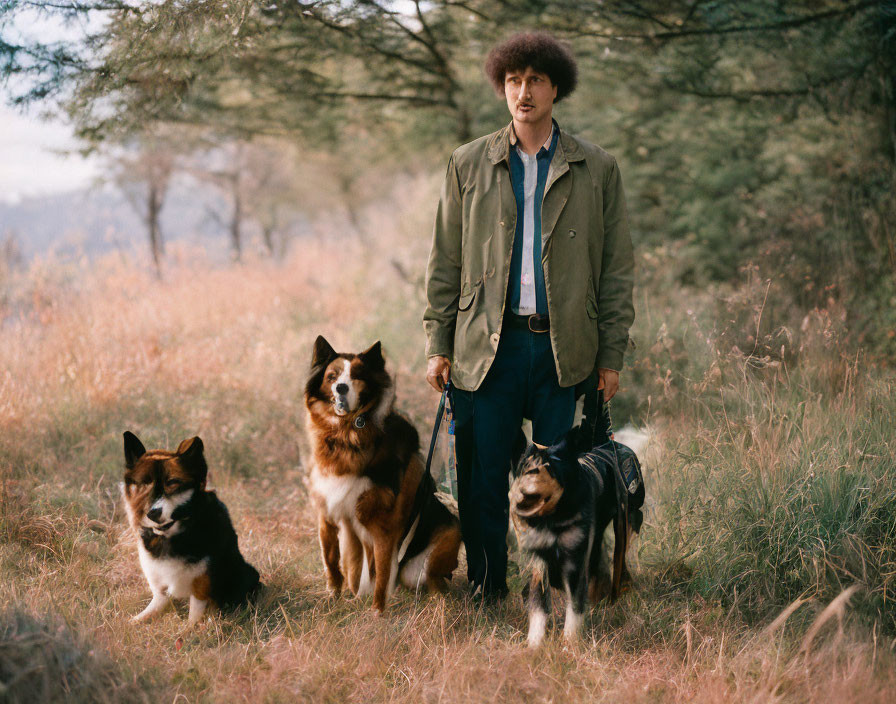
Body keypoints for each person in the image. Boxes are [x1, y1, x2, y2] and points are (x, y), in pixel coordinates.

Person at [423, 32, 635, 601]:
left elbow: (616, 269)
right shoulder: (468, 163)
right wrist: (437, 343)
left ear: (555, 88)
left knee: (561, 476)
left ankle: (555, 588)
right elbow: (445, 258)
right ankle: (489, 584)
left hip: (564, 349)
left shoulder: (597, 167)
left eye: (535, 80)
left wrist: (610, 355)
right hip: (487, 348)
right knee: (484, 476)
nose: (524, 92)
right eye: (513, 80)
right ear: (501, 87)